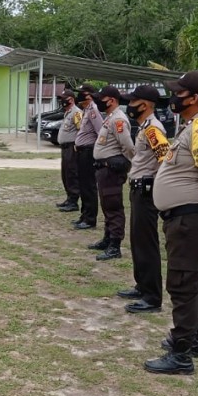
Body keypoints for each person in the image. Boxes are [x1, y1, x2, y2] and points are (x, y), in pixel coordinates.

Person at [144, 70, 198, 375]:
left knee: (183, 284)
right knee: (193, 281)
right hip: (187, 220)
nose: (173, 96)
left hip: (191, 221)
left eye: (179, 92)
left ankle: (182, 354)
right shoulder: (193, 126)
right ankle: (193, 340)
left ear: (194, 98)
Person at [118, 85, 170, 313]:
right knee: (138, 241)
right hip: (139, 189)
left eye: (133, 101)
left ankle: (152, 296)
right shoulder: (145, 127)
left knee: (147, 244)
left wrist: (157, 187)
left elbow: (165, 161)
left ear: (146, 104)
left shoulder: (153, 130)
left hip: (147, 192)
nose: (129, 106)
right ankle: (142, 285)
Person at [89, 86, 135, 260]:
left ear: (112, 100)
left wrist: (132, 164)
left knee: (114, 207)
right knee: (107, 205)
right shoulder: (110, 118)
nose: (98, 101)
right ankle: (108, 239)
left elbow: (128, 146)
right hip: (104, 169)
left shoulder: (118, 120)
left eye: (102, 98)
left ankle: (115, 245)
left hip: (111, 170)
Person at [73, 84, 102, 229]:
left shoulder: (93, 110)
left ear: (90, 95)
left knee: (89, 186)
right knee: (83, 185)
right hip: (81, 151)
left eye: (82, 93)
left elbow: (100, 131)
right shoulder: (86, 110)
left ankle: (90, 219)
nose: (79, 95)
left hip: (88, 152)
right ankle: (84, 215)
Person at [55, 89, 82, 212]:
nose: (61, 100)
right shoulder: (68, 112)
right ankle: (69, 198)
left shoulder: (76, 113)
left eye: (63, 98)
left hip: (72, 147)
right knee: (65, 174)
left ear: (71, 99)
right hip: (65, 148)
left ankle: (73, 201)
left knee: (71, 174)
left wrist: (77, 144)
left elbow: (80, 130)